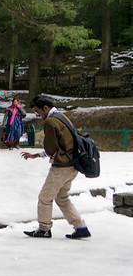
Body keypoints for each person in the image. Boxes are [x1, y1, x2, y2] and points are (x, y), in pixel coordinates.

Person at [21, 96, 90, 239]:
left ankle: (44, 229)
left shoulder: (51, 122)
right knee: (62, 198)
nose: (37, 115)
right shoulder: (62, 116)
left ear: (45, 108)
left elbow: (51, 148)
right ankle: (80, 227)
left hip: (61, 167)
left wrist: (42, 153)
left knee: (45, 198)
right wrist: (37, 155)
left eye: (37, 111)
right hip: (73, 165)